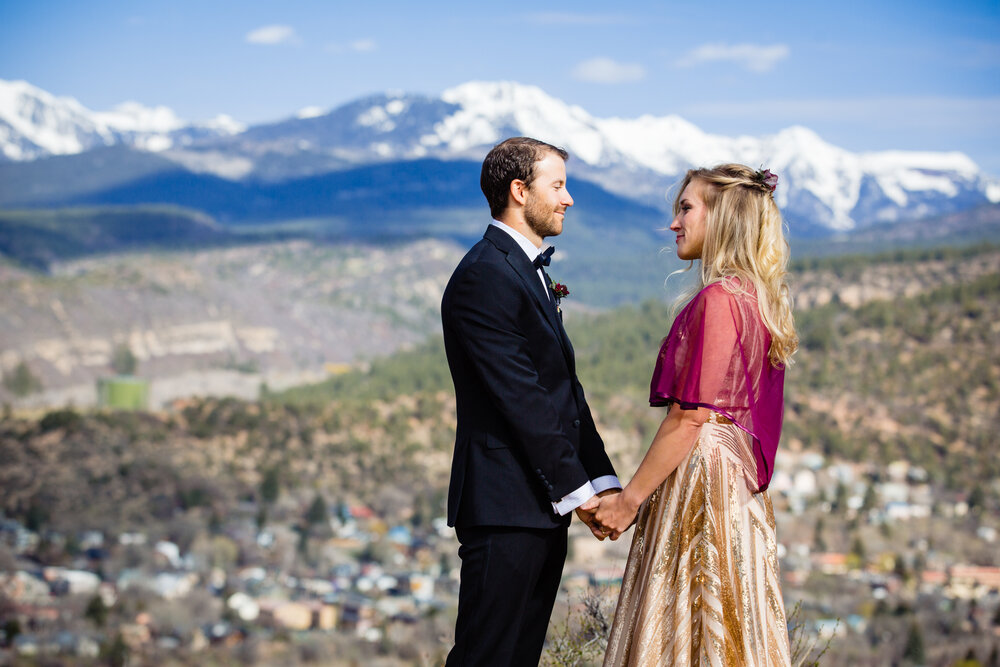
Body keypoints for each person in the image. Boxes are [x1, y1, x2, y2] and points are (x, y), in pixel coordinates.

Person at [586, 164, 797, 665]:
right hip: (729, 480)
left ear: (721, 217)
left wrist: (629, 502)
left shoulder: (721, 300)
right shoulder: (755, 298)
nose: (674, 223)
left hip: (705, 481)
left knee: (688, 617)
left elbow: (689, 418)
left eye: (685, 208)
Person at [441, 136, 621, 666]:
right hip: (504, 507)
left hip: (539, 508)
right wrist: (582, 495)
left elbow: (564, 392)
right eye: (558, 185)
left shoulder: (523, 272)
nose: (568, 199)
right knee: (486, 657)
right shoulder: (484, 275)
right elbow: (523, 401)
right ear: (519, 191)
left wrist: (605, 482)